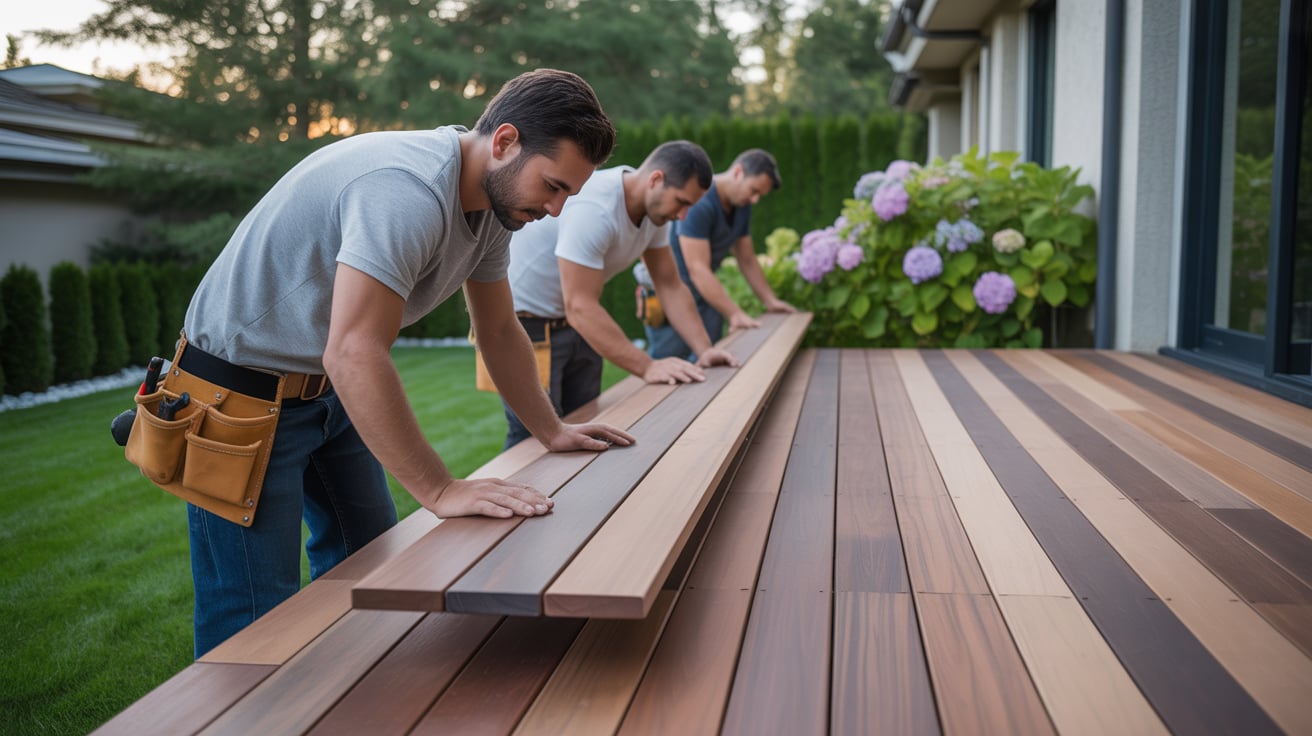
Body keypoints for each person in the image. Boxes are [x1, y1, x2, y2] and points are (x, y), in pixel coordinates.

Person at [178, 69, 634, 657]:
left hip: (323, 388)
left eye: (568, 193)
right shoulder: (408, 190)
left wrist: (552, 431)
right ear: (504, 142)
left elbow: (498, 329)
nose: (554, 208)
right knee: (252, 620)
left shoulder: (495, 209)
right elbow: (354, 349)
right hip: (236, 398)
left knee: (368, 562)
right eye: (552, 186)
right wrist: (441, 489)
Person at [501, 140, 738, 449]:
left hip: (575, 323)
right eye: (681, 202)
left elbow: (669, 284)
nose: (683, 216)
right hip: (526, 327)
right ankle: (521, 498)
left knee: (587, 426)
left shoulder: (656, 215)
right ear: (656, 179)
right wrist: (648, 366)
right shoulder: (596, 208)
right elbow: (580, 305)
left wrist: (703, 349)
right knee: (533, 439)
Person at [638, 148, 796, 361]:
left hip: (703, 291)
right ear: (738, 172)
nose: (755, 199)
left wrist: (770, 300)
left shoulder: (741, 204)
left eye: (760, 195)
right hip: (670, 290)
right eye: (754, 190)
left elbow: (746, 258)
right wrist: (735, 313)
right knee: (671, 360)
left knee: (709, 354)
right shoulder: (700, 202)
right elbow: (697, 268)